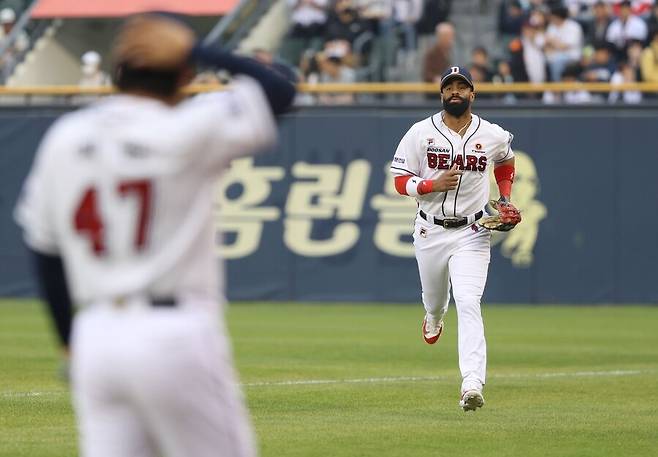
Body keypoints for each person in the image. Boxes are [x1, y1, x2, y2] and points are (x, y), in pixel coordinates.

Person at [14, 14, 295, 457]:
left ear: (116, 69)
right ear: (184, 74)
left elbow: (45, 253)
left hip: (95, 336)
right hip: (173, 331)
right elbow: (279, 89)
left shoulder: (65, 136)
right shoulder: (189, 126)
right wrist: (198, 49)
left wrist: (71, 344)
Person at [390, 66, 521, 412]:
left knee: (468, 300)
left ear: (473, 94)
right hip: (429, 229)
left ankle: (471, 384)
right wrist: (430, 185)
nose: (455, 92)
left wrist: (505, 197)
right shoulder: (420, 133)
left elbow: (506, 161)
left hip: (473, 231)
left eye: (462, 87)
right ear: (442, 95)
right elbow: (400, 180)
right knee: (435, 301)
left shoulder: (491, 134)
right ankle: (433, 316)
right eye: (450, 88)